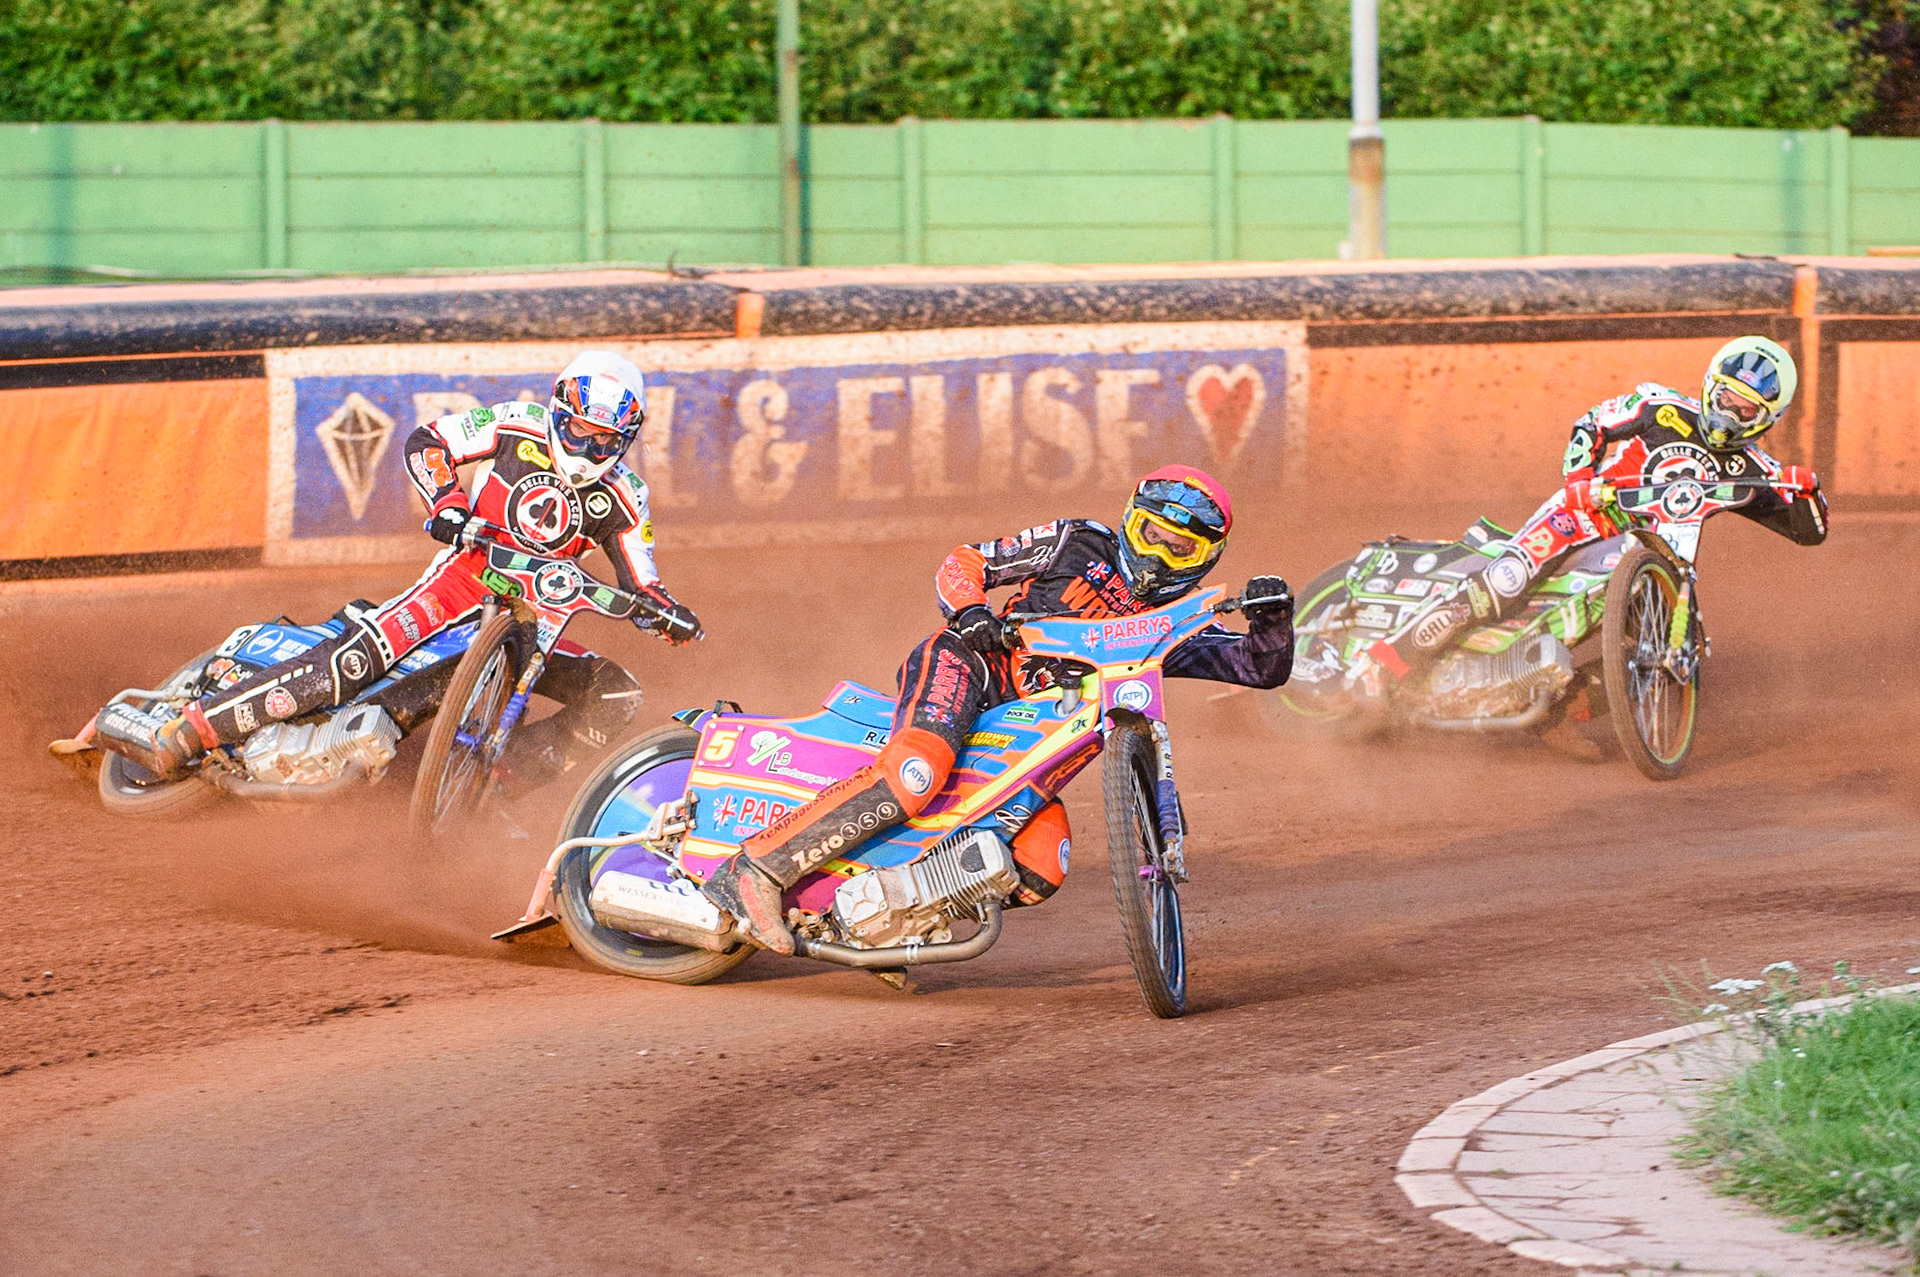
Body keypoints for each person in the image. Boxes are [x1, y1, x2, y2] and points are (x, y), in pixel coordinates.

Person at [700, 463, 1296, 956]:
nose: (1159, 555)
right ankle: (757, 869)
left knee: (1042, 865)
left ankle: (875, 923)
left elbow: (1256, 669)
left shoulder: (1177, 623)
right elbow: (965, 562)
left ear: (1206, 558)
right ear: (1127, 523)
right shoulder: (1078, 541)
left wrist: (1274, 619)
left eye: (1180, 546)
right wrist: (971, 613)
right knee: (917, 773)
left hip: (1021, 743)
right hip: (970, 668)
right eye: (1149, 534)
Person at [95, 351, 701, 788]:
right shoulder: (514, 420)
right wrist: (448, 506)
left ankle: (495, 788)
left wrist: (664, 612)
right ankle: (188, 730)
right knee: (357, 661)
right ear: (557, 410)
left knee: (616, 692)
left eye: (606, 442)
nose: (591, 450)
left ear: (626, 439)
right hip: (466, 576)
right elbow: (428, 441)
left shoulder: (627, 497)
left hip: (539, 617)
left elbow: (641, 577)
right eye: (580, 432)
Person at [1346, 335, 1829, 693]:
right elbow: (1592, 423)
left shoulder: (1757, 472)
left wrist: (1809, 492)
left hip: (1653, 558)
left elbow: (1810, 532)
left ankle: (1559, 712)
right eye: (1726, 398)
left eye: (1745, 410)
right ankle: (1386, 661)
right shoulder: (1659, 407)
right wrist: (1579, 480)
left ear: (1769, 417)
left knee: (1658, 647)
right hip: (1592, 511)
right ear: (1710, 387)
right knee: (1508, 580)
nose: (1729, 414)